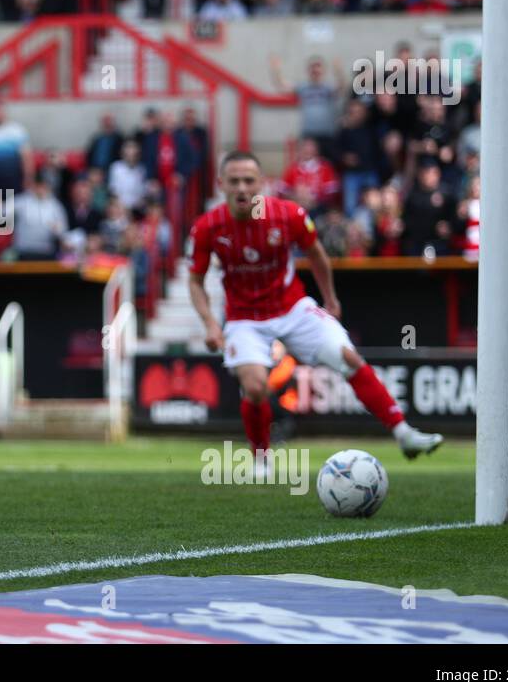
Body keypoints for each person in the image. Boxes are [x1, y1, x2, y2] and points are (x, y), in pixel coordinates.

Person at [187, 151, 443, 473]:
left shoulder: (288, 215)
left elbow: (317, 255)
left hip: (292, 307)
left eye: (249, 181)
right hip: (244, 318)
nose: (242, 188)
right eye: (234, 181)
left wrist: (330, 298)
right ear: (221, 184)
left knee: (349, 358)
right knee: (254, 387)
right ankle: (261, 459)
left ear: (262, 184)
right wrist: (210, 323)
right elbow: (195, 281)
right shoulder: (207, 227)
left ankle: (403, 433)